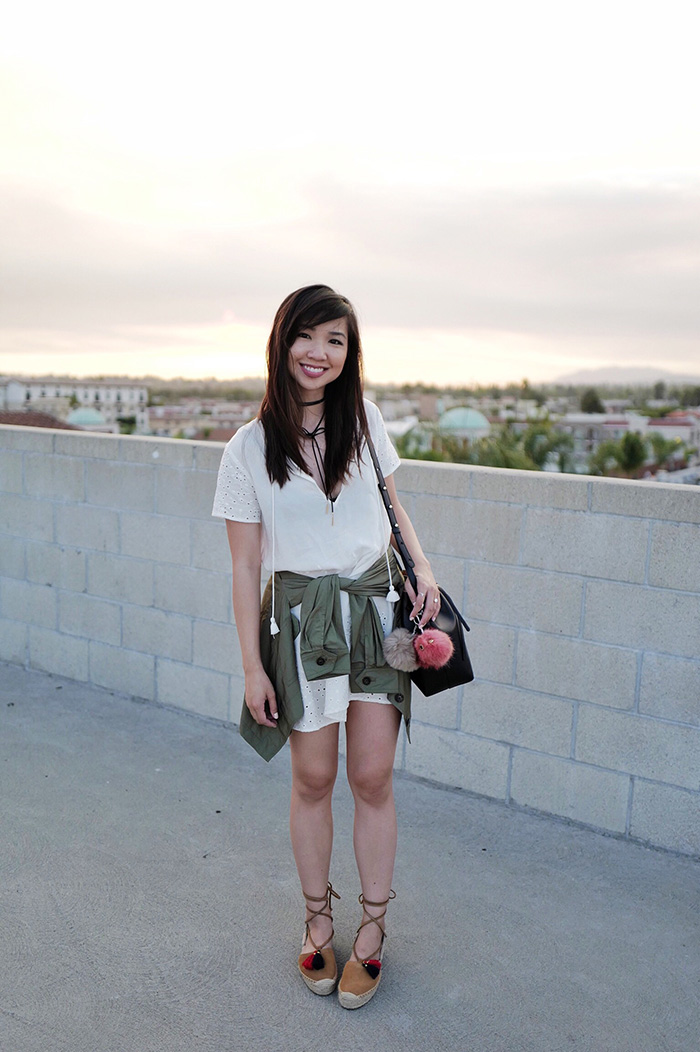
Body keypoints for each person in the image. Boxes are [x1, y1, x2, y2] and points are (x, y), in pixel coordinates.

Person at [212, 285, 440, 1009]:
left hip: (374, 612)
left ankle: (371, 929)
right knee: (312, 778)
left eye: (335, 340)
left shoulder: (366, 421)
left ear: (350, 353)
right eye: (307, 337)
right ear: (282, 343)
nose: (319, 352)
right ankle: (317, 918)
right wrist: (252, 668)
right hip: (303, 624)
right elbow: (245, 567)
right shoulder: (247, 450)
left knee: (372, 777)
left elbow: (394, 508)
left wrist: (424, 569)